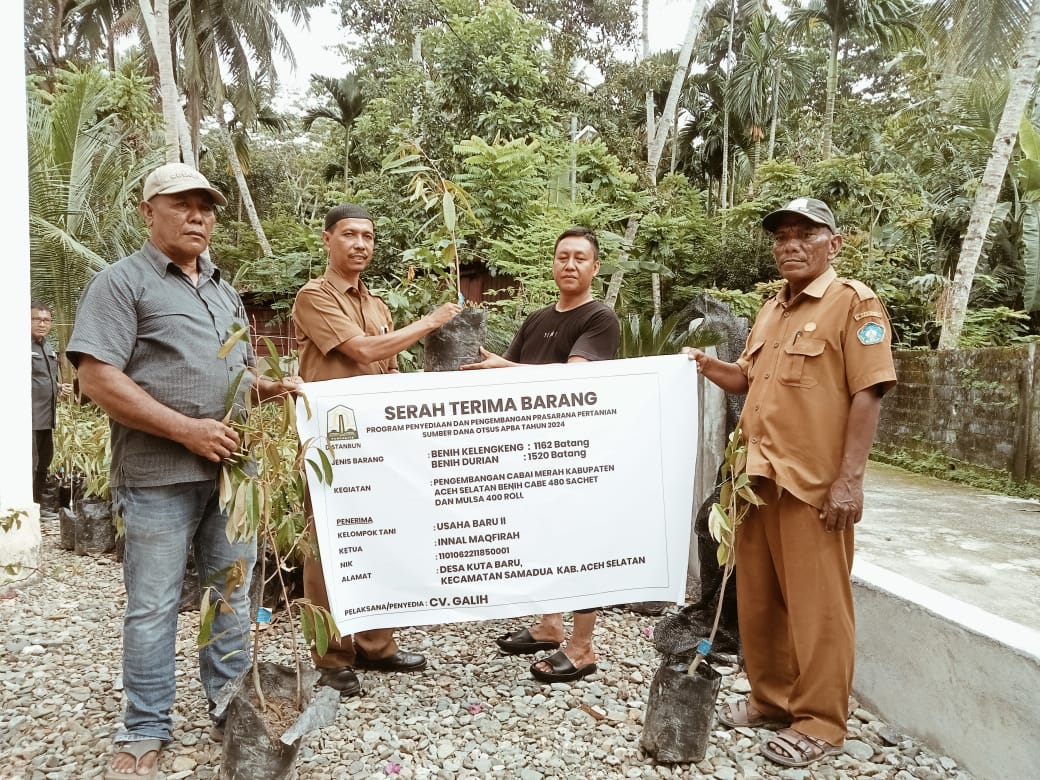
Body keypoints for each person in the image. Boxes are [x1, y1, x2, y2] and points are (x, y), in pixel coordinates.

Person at [67, 162, 302, 780]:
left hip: (233, 475)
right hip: (156, 477)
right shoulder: (121, 284)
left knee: (231, 596)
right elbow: (97, 378)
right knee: (154, 605)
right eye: (182, 204)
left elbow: (230, 373)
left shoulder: (222, 288)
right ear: (148, 212)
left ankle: (228, 702)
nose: (198, 216)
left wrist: (269, 387)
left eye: (206, 206)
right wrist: (187, 431)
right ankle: (145, 723)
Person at [685, 198, 896, 768]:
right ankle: (771, 699)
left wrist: (848, 481)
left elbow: (868, 392)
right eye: (782, 236)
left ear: (835, 242)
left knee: (818, 607)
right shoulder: (771, 310)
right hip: (756, 482)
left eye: (806, 233)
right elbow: (748, 381)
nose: (791, 244)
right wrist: (707, 366)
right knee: (760, 602)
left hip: (813, 485)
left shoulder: (853, 305)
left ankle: (821, 721)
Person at [291, 203, 462, 695]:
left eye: (367, 235)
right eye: (349, 235)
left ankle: (376, 644)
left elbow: (387, 371)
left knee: (379, 539)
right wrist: (430, 322)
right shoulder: (314, 296)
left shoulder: (378, 304)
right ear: (328, 240)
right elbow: (362, 351)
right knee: (327, 545)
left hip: (377, 442)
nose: (360, 244)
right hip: (330, 442)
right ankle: (331, 655)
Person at [461, 225, 620, 683]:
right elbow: (504, 376)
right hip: (530, 452)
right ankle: (551, 625)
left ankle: (583, 645)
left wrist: (503, 368)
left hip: (577, 452)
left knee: (580, 546)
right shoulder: (535, 318)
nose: (569, 265)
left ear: (594, 267)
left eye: (579, 258)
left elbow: (571, 381)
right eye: (562, 256)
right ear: (552, 263)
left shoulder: (599, 318)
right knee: (544, 538)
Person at [30, 302, 72, 515]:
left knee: (44, 460)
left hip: (47, 416)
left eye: (47, 320)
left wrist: (58, 388)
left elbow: (42, 377)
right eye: (37, 319)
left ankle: (37, 504)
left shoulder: (46, 346)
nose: (42, 324)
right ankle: (29, 506)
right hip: (30, 418)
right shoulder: (21, 346)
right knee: (32, 463)